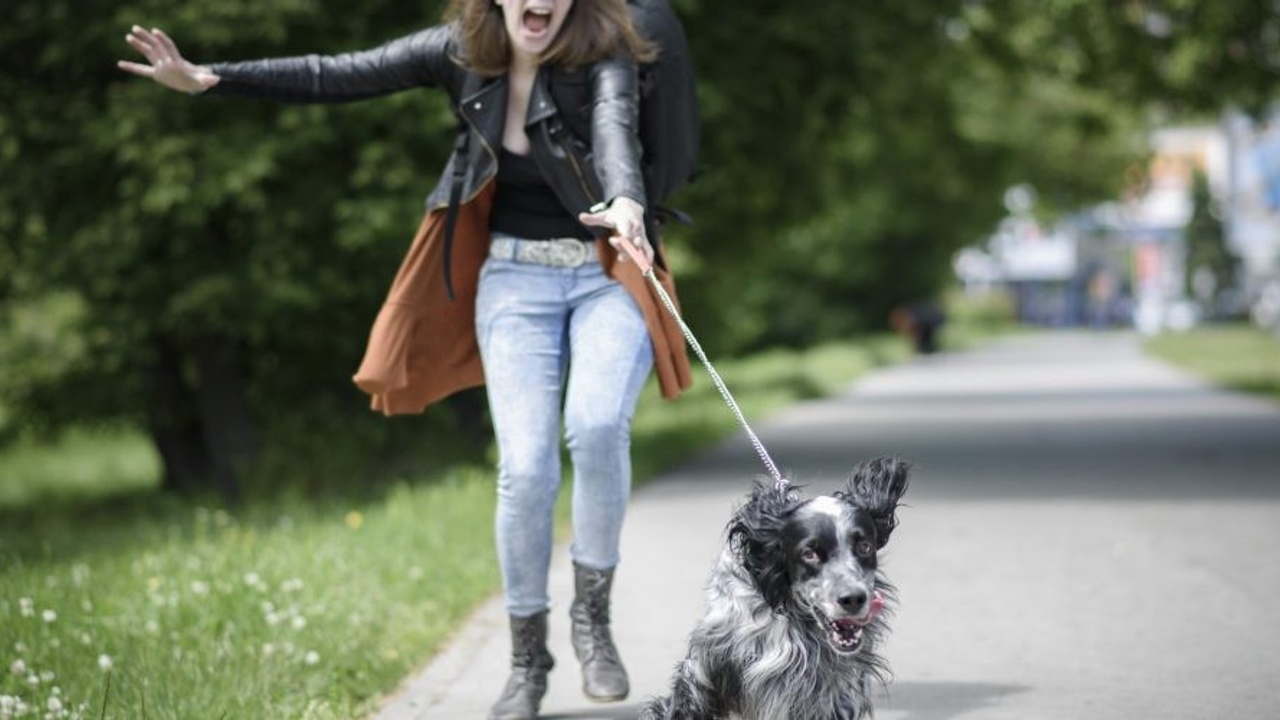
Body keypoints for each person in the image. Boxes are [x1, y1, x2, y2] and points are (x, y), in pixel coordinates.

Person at [119, 2, 693, 718]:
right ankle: (526, 658)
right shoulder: (459, 49)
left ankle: (591, 621)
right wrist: (211, 77)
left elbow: (614, 126)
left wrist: (627, 202)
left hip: (604, 272)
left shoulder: (603, 49)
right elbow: (337, 75)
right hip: (513, 281)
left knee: (599, 426)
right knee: (525, 467)